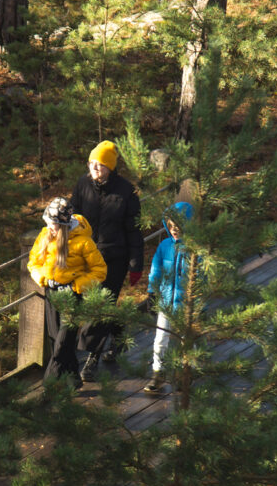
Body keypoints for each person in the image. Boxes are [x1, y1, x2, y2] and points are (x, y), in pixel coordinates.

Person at [70, 140, 144, 381]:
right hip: (87, 257)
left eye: (100, 165)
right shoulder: (83, 184)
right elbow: (72, 217)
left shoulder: (126, 192)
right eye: (92, 163)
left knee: (99, 306)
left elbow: (134, 230)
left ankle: (92, 358)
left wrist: (136, 264)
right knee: (89, 303)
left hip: (115, 258)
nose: (95, 169)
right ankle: (119, 333)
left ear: (111, 168)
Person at [28, 197, 107, 387]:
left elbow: (100, 271)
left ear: (63, 225)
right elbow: (33, 262)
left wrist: (77, 285)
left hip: (72, 296)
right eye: (48, 223)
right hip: (51, 293)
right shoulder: (45, 235)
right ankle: (73, 378)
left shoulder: (83, 242)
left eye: (53, 225)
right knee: (56, 339)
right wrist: (42, 278)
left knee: (62, 343)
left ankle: (48, 387)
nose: (50, 228)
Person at [144, 201, 194, 394]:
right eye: (170, 225)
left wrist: (198, 304)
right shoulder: (165, 246)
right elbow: (155, 270)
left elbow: (202, 278)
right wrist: (151, 292)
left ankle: (185, 374)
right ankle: (158, 372)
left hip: (187, 305)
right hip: (166, 301)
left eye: (178, 226)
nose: (174, 230)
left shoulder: (194, 249)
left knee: (186, 340)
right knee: (160, 338)